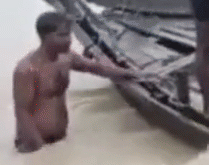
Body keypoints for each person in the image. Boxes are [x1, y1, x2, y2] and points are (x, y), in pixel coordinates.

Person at [13, 12, 145, 153]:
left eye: (69, 34)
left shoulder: (67, 57)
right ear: (45, 37)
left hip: (60, 143)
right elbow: (22, 112)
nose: (69, 40)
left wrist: (135, 74)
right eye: (62, 35)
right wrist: (38, 150)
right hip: (35, 146)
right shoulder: (28, 69)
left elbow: (97, 68)